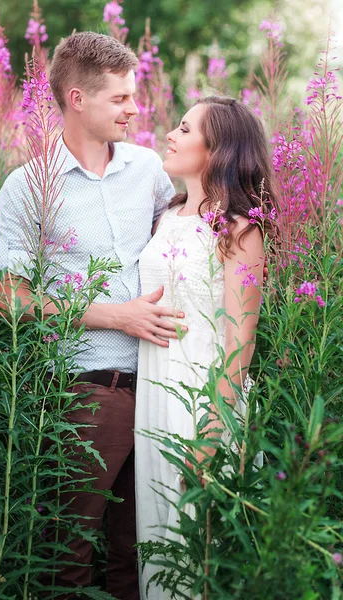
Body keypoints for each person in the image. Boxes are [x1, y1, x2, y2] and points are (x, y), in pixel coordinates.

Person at [0, 32, 183, 600]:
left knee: (140, 553)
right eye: (120, 99)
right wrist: (112, 316)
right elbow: (10, 297)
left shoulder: (149, 169)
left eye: (133, 95)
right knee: (69, 553)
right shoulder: (27, 188)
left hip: (161, 385)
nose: (135, 108)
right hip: (87, 391)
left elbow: (176, 244)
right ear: (77, 99)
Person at [134, 96, 278, 599]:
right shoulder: (166, 218)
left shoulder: (240, 231)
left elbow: (242, 340)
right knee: (160, 541)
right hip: (154, 396)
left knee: (203, 549)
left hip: (206, 402)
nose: (170, 134)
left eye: (184, 128)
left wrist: (213, 429)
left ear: (216, 150)